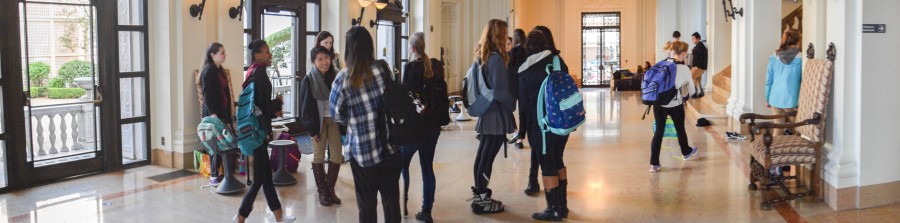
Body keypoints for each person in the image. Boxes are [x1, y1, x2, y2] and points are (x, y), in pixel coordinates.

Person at [330, 26, 401, 223]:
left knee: (367, 205)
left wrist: (354, 120)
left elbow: (336, 114)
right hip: (390, 146)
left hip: (362, 151)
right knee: (391, 202)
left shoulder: (342, 79)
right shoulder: (382, 68)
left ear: (348, 49)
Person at [234, 39, 294, 223]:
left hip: (256, 130)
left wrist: (271, 108)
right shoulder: (260, 75)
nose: (270, 55)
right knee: (261, 178)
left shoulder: (251, 73)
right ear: (257, 55)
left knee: (266, 177)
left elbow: (258, 107)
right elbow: (265, 107)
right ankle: (240, 216)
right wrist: (278, 103)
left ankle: (278, 216)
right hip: (259, 133)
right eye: (267, 52)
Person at [518, 29, 573, 221]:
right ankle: (563, 205)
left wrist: (521, 131)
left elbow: (523, 106)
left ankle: (553, 209)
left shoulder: (526, 69)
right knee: (558, 159)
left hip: (541, 126)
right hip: (562, 122)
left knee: (547, 163)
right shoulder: (558, 61)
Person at [399, 32, 450, 223]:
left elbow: (405, 99)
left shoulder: (410, 68)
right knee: (427, 168)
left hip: (413, 128)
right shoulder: (434, 67)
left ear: (412, 48)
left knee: (402, 164)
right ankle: (426, 211)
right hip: (432, 127)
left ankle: (403, 203)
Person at [469, 19, 515, 215]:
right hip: (495, 114)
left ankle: (480, 196)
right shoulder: (495, 59)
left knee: (483, 155)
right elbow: (501, 91)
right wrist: (512, 104)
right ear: (498, 36)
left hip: (488, 113)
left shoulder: (483, 56)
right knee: (487, 158)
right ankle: (482, 200)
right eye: (505, 34)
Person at [299, 46, 343, 206]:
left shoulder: (337, 76)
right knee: (318, 156)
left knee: (337, 155)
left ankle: (330, 189)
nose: (324, 62)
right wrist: (311, 130)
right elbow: (305, 108)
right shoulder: (309, 80)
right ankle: (322, 192)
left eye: (326, 58)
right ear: (314, 62)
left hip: (334, 121)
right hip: (318, 123)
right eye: (320, 59)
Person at [649, 40, 699, 173]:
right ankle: (686, 152)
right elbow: (693, 91)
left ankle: (654, 164)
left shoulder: (662, 64)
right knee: (680, 129)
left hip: (658, 103)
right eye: (686, 53)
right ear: (682, 54)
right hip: (675, 104)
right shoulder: (684, 68)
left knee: (658, 132)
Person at [198, 42, 234, 187]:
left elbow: (224, 92)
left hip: (222, 111)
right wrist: (213, 114)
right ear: (213, 55)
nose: (225, 55)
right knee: (217, 144)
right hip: (213, 114)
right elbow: (208, 95)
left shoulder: (220, 70)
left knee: (223, 143)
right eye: (222, 52)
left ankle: (220, 173)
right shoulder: (209, 71)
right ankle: (214, 175)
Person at [765, 29, 803, 136]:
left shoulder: (774, 57)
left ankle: (772, 151)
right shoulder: (802, 58)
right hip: (792, 99)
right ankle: (796, 150)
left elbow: (768, 80)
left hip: (775, 97)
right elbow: (802, 80)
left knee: (777, 129)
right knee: (798, 129)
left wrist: (767, 98)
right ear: (798, 41)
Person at [508, 28, 528, 150]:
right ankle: (520, 139)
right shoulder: (528, 51)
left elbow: (509, 68)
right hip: (525, 84)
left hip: (513, 84)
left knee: (508, 108)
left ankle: (515, 132)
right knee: (522, 112)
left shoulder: (513, 52)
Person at [690, 32, 708, 98]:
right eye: (692, 39)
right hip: (699, 67)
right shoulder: (698, 46)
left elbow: (702, 58)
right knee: (696, 79)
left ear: (698, 39)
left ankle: (695, 93)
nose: (692, 40)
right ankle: (700, 93)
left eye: (693, 38)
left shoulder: (700, 47)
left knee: (690, 78)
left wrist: (698, 67)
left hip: (699, 67)